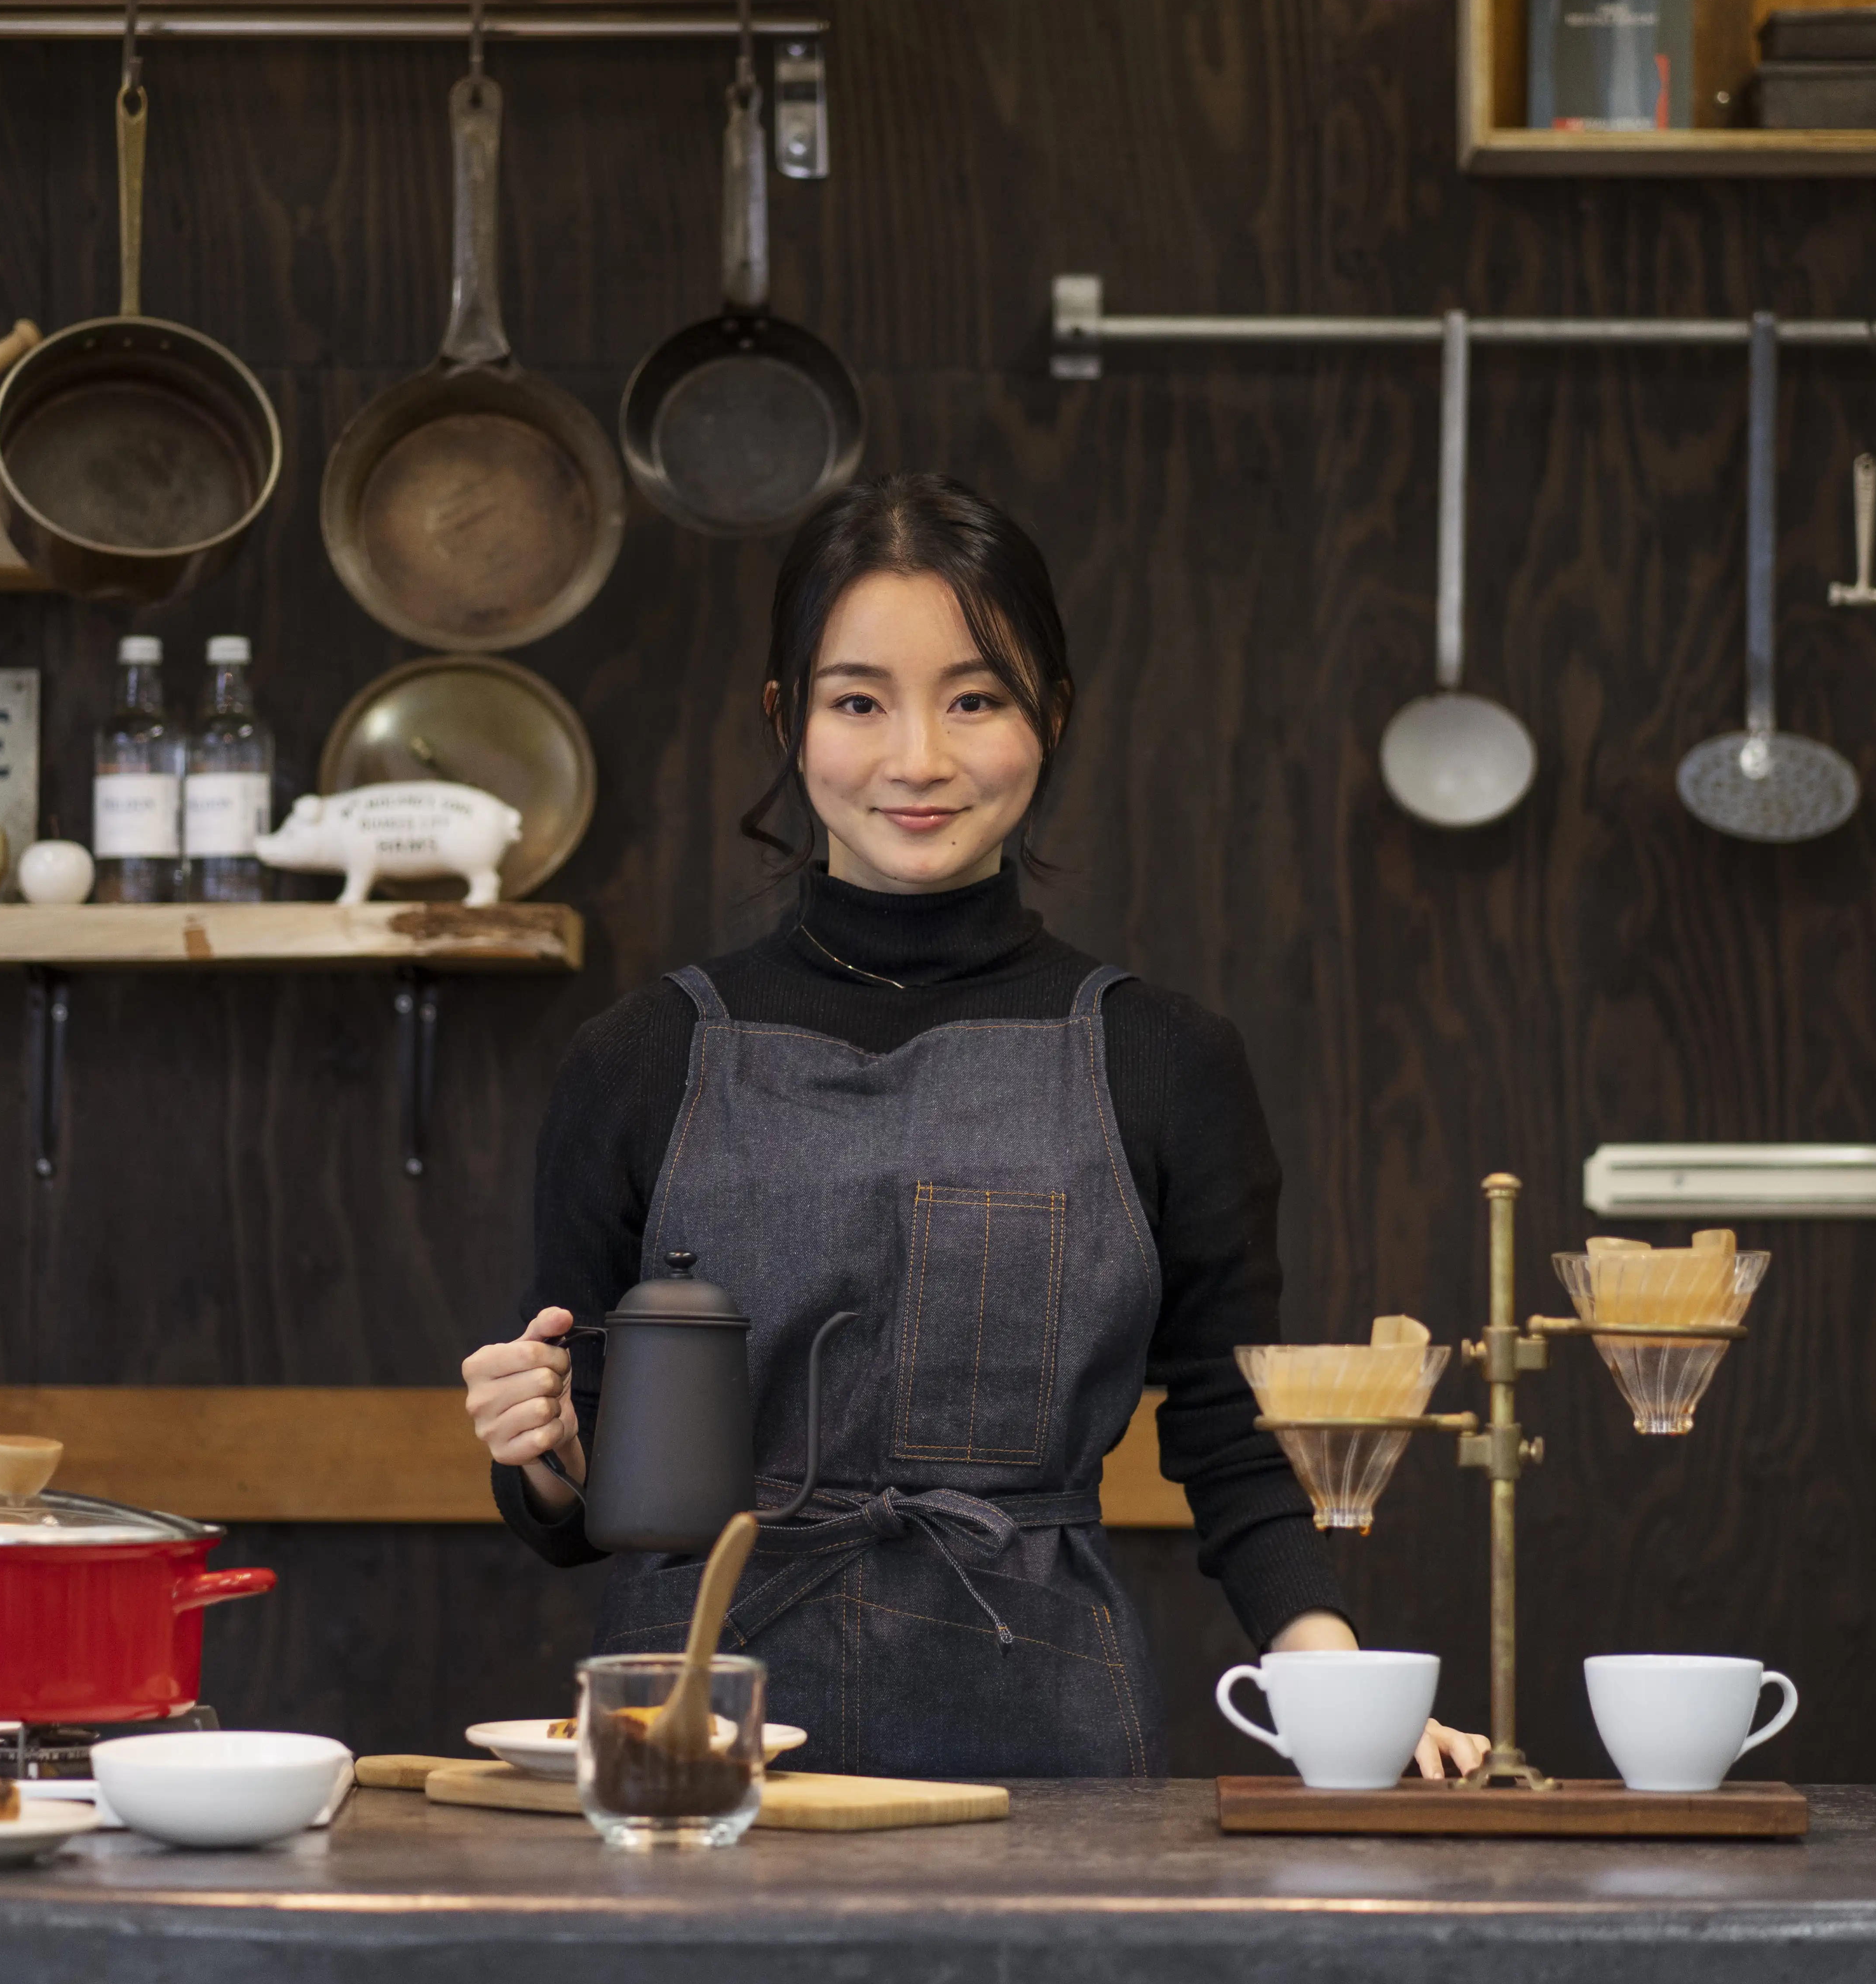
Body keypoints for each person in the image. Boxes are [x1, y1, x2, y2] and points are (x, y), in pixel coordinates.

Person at [461, 474, 1487, 1782]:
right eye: (857, 701)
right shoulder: (640, 1057)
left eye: (974, 698)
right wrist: (540, 1454)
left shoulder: (1162, 1058)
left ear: (1048, 716)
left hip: (1040, 1726)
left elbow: (1237, 1441)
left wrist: (1342, 1695)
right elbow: (576, 1502)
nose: (917, 760)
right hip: (700, 1734)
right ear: (787, 720)